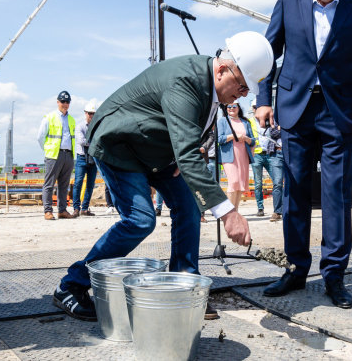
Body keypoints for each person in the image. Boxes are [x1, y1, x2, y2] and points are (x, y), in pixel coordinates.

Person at [53, 32, 271, 322]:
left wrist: (186, 153)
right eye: (242, 86)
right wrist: (228, 213)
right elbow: (186, 152)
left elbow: (187, 139)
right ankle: (71, 285)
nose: (242, 95)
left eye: (247, 91)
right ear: (222, 69)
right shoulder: (186, 81)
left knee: (189, 205)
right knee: (140, 220)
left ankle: (183, 286)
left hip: (155, 151)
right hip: (120, 146)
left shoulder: (212, 88)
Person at [256, 0, 352, 310]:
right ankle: (296, 269)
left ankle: (333, 276)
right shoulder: (287, 1)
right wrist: (264, 101)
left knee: (335, 194)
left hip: (338, 112)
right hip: (295, 109)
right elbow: (268, 55)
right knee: (294, 191)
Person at [37, 91, 76, 221]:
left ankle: (62, 210)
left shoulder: (72, 120)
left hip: (68, 155)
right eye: (62, 101)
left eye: (67, 102)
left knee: (64, 185)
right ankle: (48, 211)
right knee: (49, 184)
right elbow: (40, 137)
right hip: (54, 155)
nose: (65, 104)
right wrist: (48, 149)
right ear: (58, 102)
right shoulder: (49, 117)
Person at [248, 103, 285, 222]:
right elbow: (273, 133)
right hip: (265, 155)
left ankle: (287, 208)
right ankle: (267, 209)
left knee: (282, 182)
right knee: (268, 183)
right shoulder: (255, 121)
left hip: (273, 154)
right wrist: (283, 129)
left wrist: (281, 129)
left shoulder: (283, 116)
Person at [218, 103, 255, 210]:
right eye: (229, 107)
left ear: (239, 108)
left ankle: (235, 211)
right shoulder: (222, 121)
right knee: (233, 182)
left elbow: (253, 140)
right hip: (229, 156)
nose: (231, 109)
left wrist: (247, 139)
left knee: (239, 185)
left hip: (243, 156)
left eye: (234, 106)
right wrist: (233, 136)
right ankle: (229, 213)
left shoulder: (245, 122)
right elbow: (219, 139)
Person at [72, 100, 99, 216]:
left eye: (93, 113)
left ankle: (85, 208)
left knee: (90, 184)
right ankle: (76, 208)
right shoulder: (80, 126)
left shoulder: (97, 127)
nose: (91, 115)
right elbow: (82, 141)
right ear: (85, 113)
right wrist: (94, 142)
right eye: (89, 113)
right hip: (82, 158)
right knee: (78, 183)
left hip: (93, 158)